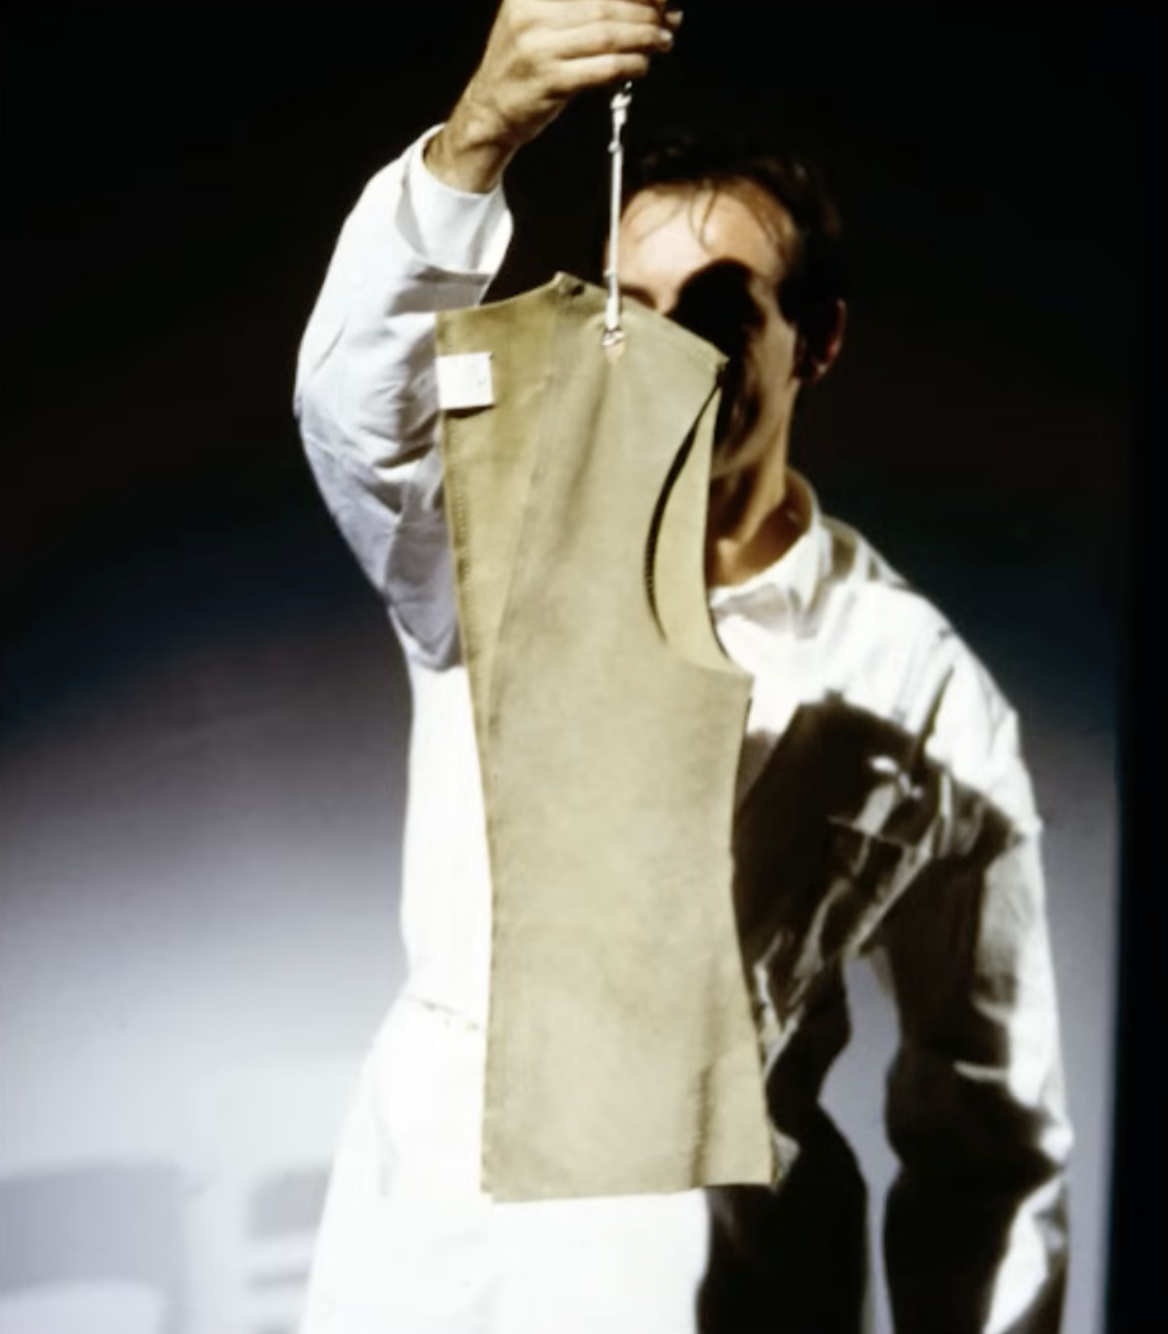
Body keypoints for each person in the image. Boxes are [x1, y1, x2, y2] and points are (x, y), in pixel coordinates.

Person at [293, 2, 1072, 1330]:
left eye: (717, 308)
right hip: (446, 1252)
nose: (669, 352)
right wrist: (477, 141)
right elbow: (354, 419)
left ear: (814, 339)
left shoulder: (921, 686)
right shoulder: (500, 542)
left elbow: (990, 1140)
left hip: (733, 1266)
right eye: (634, 307)